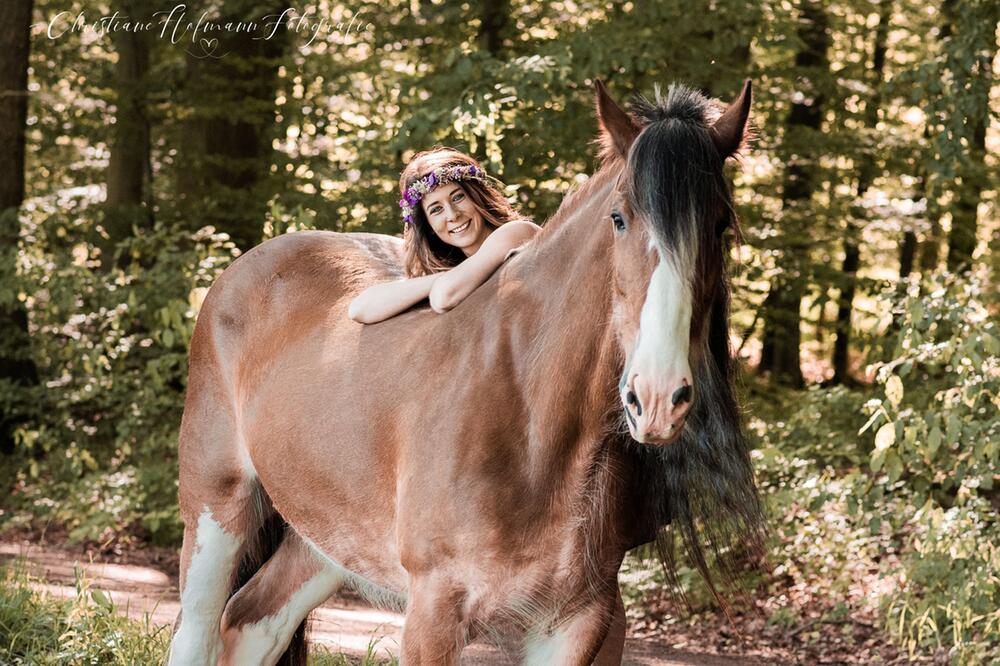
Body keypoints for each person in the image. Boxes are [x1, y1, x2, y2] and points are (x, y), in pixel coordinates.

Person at [348, 147, 540, 324]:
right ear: (429, 226)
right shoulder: (453, 273)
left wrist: (444, 280)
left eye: (458, 197)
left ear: (477, 196)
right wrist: (441, 277)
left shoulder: (517, 233)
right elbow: (359, 309)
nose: (452, 215)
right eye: (436, 209)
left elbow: (443, 297)